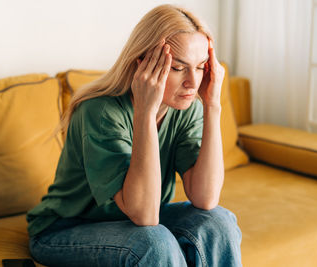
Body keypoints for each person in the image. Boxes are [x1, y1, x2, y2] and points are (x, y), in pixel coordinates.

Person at [26, 4, 242, 267]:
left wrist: (212, 106)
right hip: (64, 229)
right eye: (178, 67)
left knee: (217, 222)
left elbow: (205, 198)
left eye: (201, 67)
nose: (192, 82)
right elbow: (145, 215)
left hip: (135, 222)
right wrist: (145, 113)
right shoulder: (100, 111)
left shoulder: (187, 106)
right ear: (143, 64)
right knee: (153, 242)